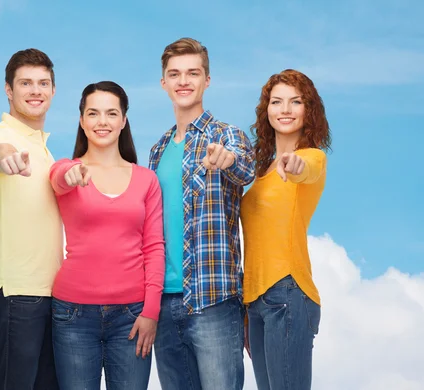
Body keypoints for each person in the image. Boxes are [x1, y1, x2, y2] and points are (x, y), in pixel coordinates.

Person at [148, 37, 255, 390]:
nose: (184, 81)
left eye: (193, 73)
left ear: (207, 80)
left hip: (213, 300)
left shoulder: (228, 136)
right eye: (175, 74)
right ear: (163, 83)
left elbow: (244, 169)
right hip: (163, 302)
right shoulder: (158, 149)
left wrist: (226, 161)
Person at [49, 81, 165, 390]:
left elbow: (154, 247)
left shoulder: (146, 180)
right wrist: (69, 174)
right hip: (72, 315)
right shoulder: (68, 170)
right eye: (93, 113)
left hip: (132, 316)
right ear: (82, 120)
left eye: (111, 113)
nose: (102, 122)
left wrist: (151, 311)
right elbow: (58, 177)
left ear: (124, 120)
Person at [0, 49, 62, 390]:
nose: (35, 91)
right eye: (25, 83)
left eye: (43, 83)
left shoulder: (45, 149)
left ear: (54, 91)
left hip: (52, 294)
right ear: (9, 90)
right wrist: (7, 158)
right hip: (14, 293)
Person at [241, 69, 331, 390]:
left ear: (309, 110)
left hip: (288, 292)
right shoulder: (260, 171)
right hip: (255, 302)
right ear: (267, 110)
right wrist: (247, 308)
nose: (285, 109)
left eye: (296, 101)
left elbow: (304, 170)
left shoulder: (311, 157)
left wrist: (294, 164)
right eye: (277, 102)